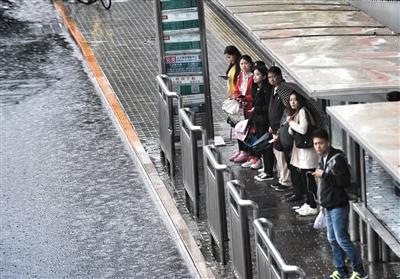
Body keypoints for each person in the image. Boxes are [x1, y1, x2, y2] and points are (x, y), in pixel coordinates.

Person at [312, 129, 368, 279]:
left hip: (338, 205)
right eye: (315, 144)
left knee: (341, 239)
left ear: (327, 142)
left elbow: (343, 182)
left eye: (320, 143)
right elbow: (325, 186)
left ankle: (360, 272)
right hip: (328, 205)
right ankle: (341, 271)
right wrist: (322, 204)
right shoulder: (322, 158)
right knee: (332, 239)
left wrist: (324, 175)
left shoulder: (337, 159)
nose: (318, 147)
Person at [286, 92, 319, 216]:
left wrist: (291, 123)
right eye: (291, 100)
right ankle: (308, 202)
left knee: (308, 178)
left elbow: (303, 129)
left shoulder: (302, 111)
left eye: (295, 99)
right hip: (302, 150)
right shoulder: (298, 112)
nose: (293, 102)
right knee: (306, 178)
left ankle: (312, 204)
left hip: (307, 151)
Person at [243, 65, 273, 172]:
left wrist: (256, 109)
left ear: (264, 76)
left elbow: (268, 106)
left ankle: (268, 169)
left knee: (266, 144)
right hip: (257, 120)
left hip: (265, 121)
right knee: (261, 143)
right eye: (254, 74)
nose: (254, 77)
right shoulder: (255, 88)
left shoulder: (267, 89)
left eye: (258, 74)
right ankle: (265, 166)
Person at [267, 66, 292, 191]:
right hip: (274, 128)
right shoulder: (274, 90)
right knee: (278, 155)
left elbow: (287, 111)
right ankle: (282, 178)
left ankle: (286, 181)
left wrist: (280, 128)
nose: (272, 79)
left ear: (280, 76)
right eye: (270, 77)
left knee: (282, 155)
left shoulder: (284, 90)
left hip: (281, 129)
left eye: (274, 76)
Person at [229, 55, 254, 163]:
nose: (244, 66)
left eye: (246, 63)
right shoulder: (240, 75)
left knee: (248, 130)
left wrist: (245, 99)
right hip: (241, 107)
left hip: (249, 107)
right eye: (242, 64)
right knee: (239, 128)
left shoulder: (252, 77)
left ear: (250, 64)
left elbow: (253, 94)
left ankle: (248, 152)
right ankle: (241, 150)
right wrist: (237, 97)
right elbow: (237, 90)